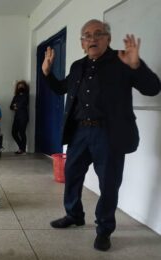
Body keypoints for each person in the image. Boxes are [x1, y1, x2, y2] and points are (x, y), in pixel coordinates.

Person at [42, 19, 161, 251]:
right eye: (87, 35)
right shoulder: (77, 66)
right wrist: (47, 73)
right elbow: (60, 89)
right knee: (72, 174)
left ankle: (104, 229)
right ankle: (74, 215)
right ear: (82, 43)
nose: (92, 39)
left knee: (109, 183)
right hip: (79, 131)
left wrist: (137, 66)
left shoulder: (123, 60)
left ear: (108, 38)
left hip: (109, 133)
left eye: (98, 34)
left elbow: (153, 88)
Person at [10, 81, 29, 155]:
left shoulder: (26, 96)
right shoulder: (16, 96)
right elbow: (11, 106)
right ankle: (22, 148)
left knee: (22, 132)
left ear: (25, 87)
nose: (20, 87)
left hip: (24, 116)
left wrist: (16, 105)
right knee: (13, 132)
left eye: (22, 86)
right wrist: (15, 106)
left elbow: (22, 105)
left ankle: (22, 150)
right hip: (17, 117)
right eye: (19, 86)